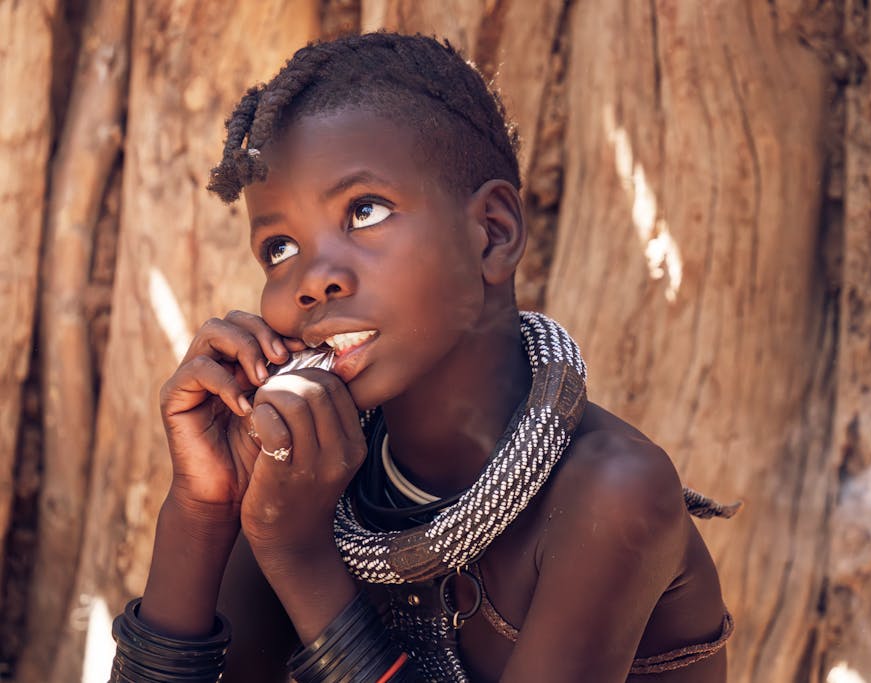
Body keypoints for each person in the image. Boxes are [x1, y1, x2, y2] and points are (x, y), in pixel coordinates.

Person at [108, 32, 736, 683]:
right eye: (280, 248)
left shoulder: (614, 494)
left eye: (365, 210)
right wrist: (203, 506)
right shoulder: (313, 478)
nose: (311, 280)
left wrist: (300, 557)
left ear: (492, 232)